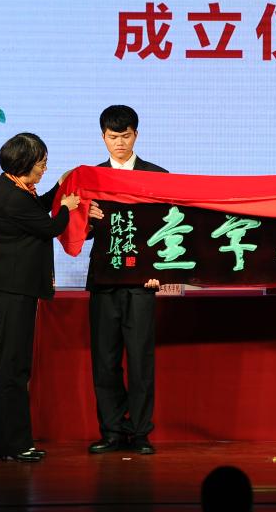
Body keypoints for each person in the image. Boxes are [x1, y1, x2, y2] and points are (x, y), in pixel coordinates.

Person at [0, 133, 79, 462]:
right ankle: (15, 444)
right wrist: (65, 208)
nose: (44, 169)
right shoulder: (12, 197)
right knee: (13, 368)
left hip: (14, 289)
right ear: (24, 164)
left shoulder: (13, 187)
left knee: (15, 366)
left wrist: (59, 188)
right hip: (13, 291)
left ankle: (12, 443)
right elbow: (49, 227)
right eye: (41, 164)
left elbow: (37, 209)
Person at [85, 105, 168, 455]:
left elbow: (169, 229)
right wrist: (85, 217)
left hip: (141, 283)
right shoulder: (91, 178)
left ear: (136, 135)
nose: (119, 143)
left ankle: (140, 432)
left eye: (125, 136)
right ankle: (112, 431)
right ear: (103, 137)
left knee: (140, 361)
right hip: (104, 281)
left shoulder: (158, 176)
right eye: (112, 136)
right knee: (105, 362)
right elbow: (78, 233)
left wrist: (159, 272)